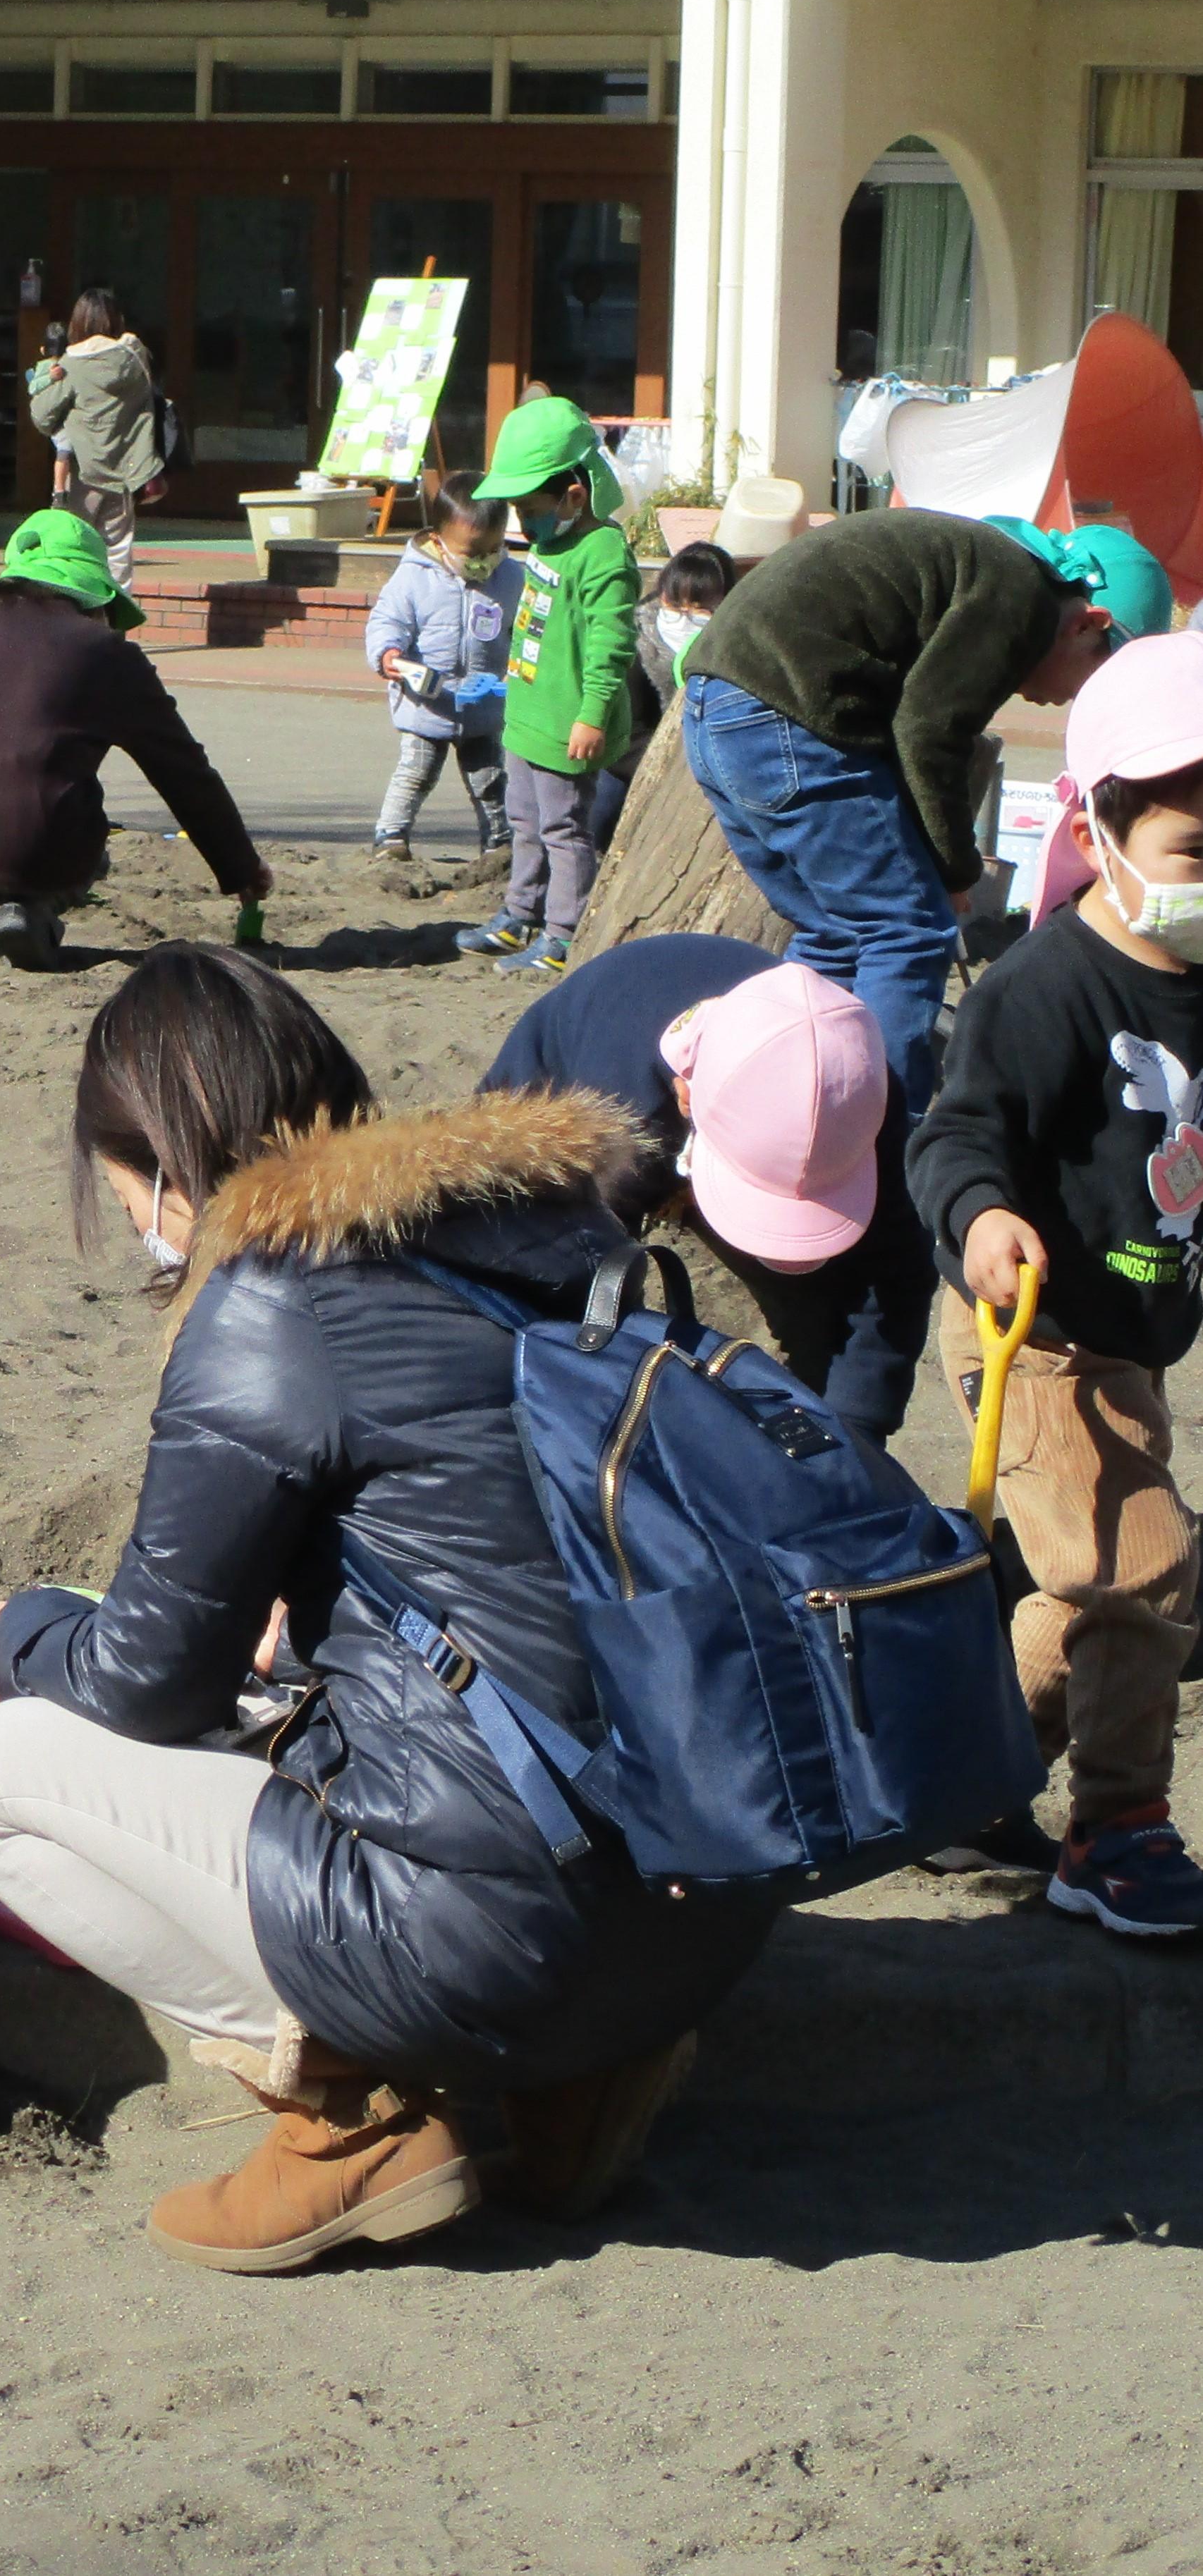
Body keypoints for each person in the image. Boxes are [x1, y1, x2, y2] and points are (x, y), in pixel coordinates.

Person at [0, 944, 777, 2272]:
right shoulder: (551, 1225)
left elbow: (150, 1679)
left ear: (171, 1169)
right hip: (704, 1904)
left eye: (130, 1189)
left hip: (502, 1941)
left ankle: (344, 2115)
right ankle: (575, 2086)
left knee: (5, 1777)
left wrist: (19, 1638)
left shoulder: (269, 1303)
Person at [903, 629, 1203, 1938]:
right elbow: (953, 1133)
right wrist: (976, 1219)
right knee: (1142, 1566)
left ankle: (957, 1762)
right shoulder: (1042, 989)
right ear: (1099, 830)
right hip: (1023, 1331)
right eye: (1192, 855)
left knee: (1086, 1585)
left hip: (1129, 1329)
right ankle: (1116, 1831)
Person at [684, 507, 1173, 1114]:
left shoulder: (990, 568)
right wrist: (954, 872)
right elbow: (927, 733)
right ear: (1086, 623)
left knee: (837, 934)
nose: (1075, 698)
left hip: (716, 708)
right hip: (786, 711)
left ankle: (774, 1111)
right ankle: (883, 1145)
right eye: (1094, 676)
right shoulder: (1019, 596)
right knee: (908, 933)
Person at [482, 940, 929, 1444]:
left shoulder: (858, 1092)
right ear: (686, 1097)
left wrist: (857, 1434)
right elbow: (577, 1283)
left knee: (824, 1307)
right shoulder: (618, 1111)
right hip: (556, 1096)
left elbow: (895, 1272)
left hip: (694, 1105)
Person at [0, 511, 267, 971]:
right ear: (94, 598)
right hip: (37, 843)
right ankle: (31, 910)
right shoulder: (111, 656)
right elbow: (183, 773)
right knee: (72, 820)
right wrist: (240, 870)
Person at [456, 398, 639, 976]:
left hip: (566, 724)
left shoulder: (601, 552)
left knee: (564, 829)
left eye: (530, 509)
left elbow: (611, 645)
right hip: (526, 715)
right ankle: (519, 915)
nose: (522, 523)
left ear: (574, 496)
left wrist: (592, 715)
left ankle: (563, 933)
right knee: (525, 822)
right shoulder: (547, 544)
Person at [362, 483, 519, 867]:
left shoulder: (511, 578)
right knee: (416, 772)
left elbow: (526, 631)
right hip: (426, 704)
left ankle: (499, 843)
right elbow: (388, 620)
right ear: (439, 541)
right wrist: (389, 654)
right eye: (471, 553)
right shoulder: (414, 578)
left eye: (492, 551)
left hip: (484, 706)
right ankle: (391, 836)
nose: (483, 561)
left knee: (489, 778)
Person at [584, 541, 735, 854]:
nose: (686, 617)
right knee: (600, 818)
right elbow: (628, 734)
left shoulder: (736, 646)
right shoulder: (636, 645)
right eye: (676, 606)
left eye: (701, 608)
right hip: (631, 762)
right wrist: (671, 772)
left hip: (715, 764)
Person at [25, 289, 163, 594]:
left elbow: (42, 416)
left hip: (83, 476)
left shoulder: (73, 364)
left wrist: (49, 378)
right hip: (127, 474)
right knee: (118, 556)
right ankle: (115, 630)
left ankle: (84, 626)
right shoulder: (136, 359)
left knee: (79, 553)